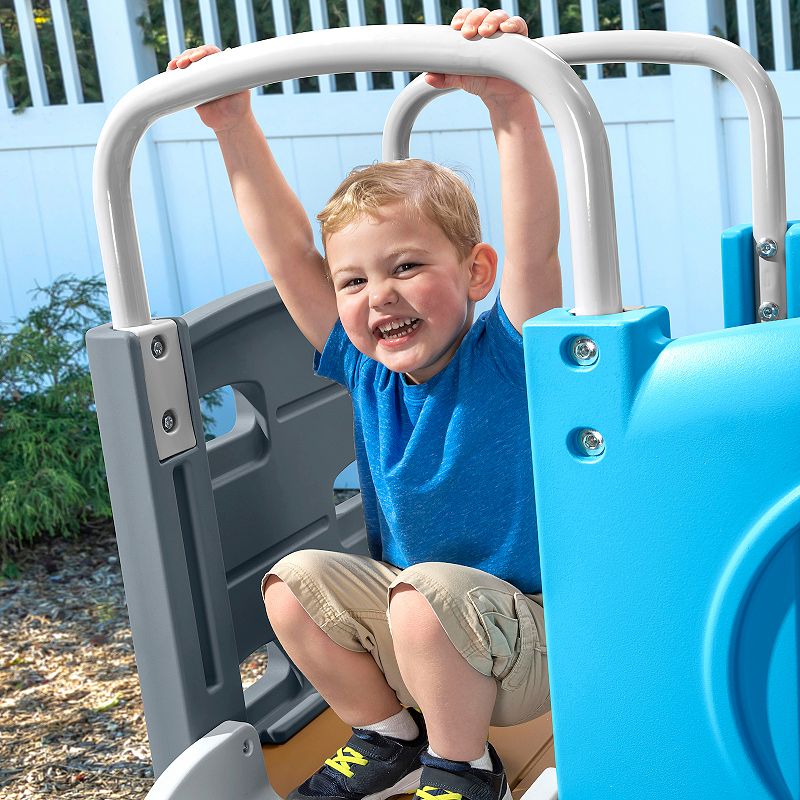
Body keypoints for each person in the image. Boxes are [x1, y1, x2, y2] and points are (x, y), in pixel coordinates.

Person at [169, 7, 560, 800]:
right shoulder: (366, 369)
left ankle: (462, 771)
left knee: (421, 602)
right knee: (292, 585)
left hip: (532, 638)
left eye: (408, 266)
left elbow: (538, 245)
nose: (378, 295)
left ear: (476, 274)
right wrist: (233, 126)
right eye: (353, 281)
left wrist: (510, 104)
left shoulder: (508, 354)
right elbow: (286, 251)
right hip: (422, 632)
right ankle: (391, 739)